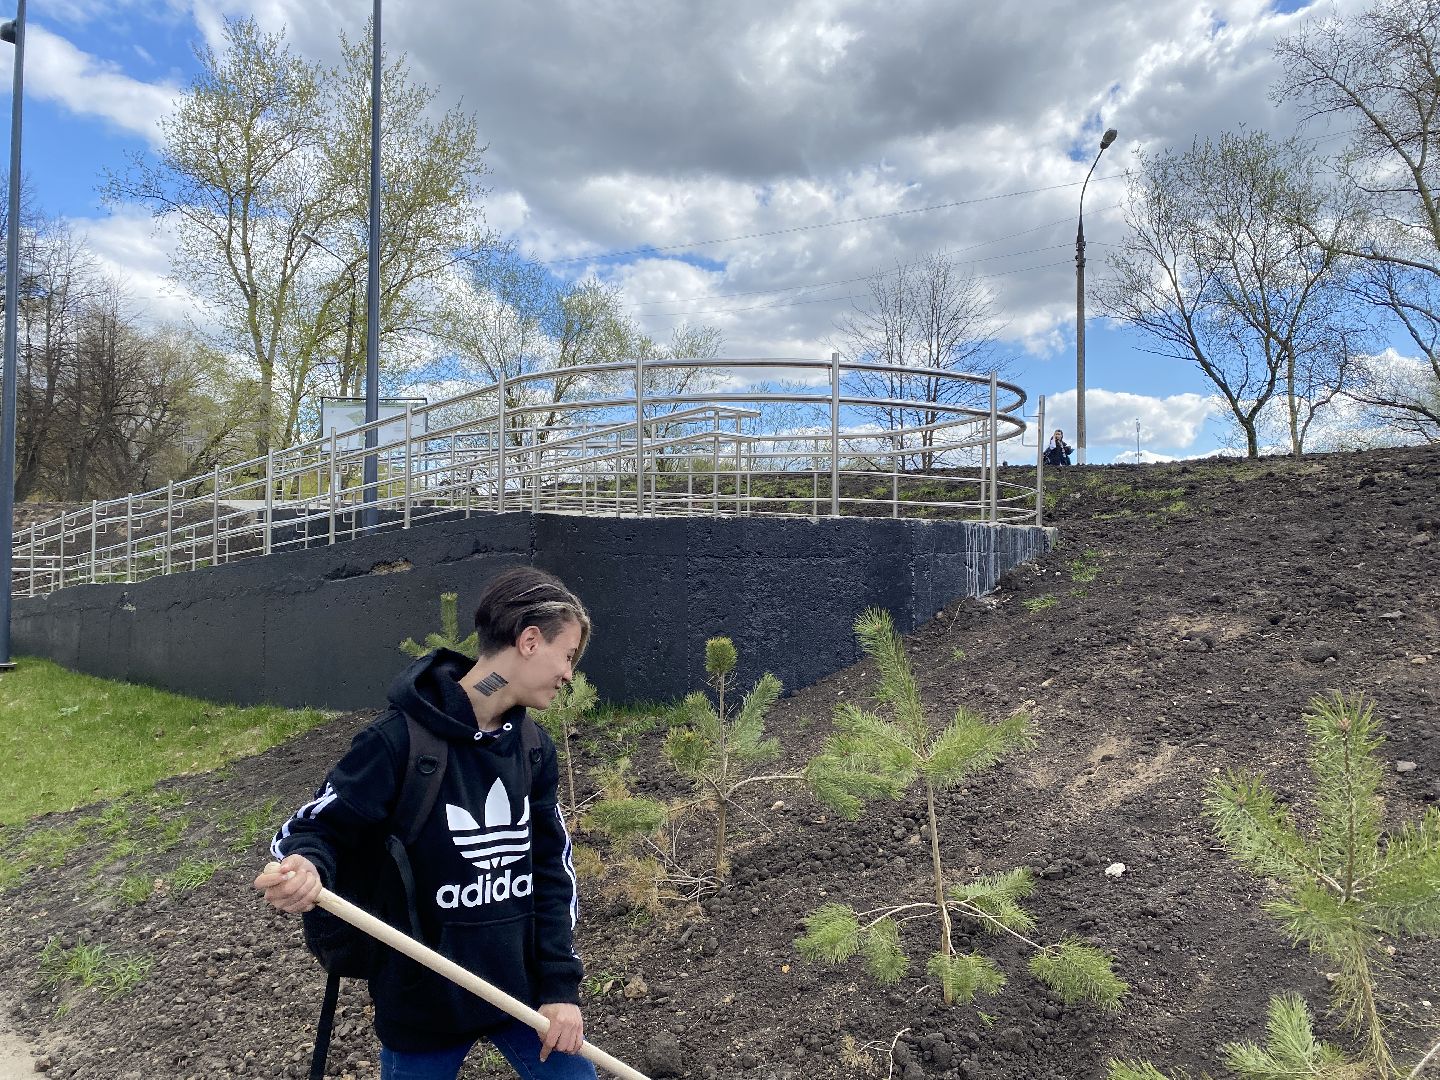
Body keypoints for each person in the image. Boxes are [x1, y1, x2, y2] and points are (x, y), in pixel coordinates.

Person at [255, 566, 596, 1080]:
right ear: (529, 640)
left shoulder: (533, 750)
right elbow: (316, 830)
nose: (569, 674)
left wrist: (559, 988)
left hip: (522, 998)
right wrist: (303, 865)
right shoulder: (398, 743)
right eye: (566, 655)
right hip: (421, 1002)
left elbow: (551, 871)